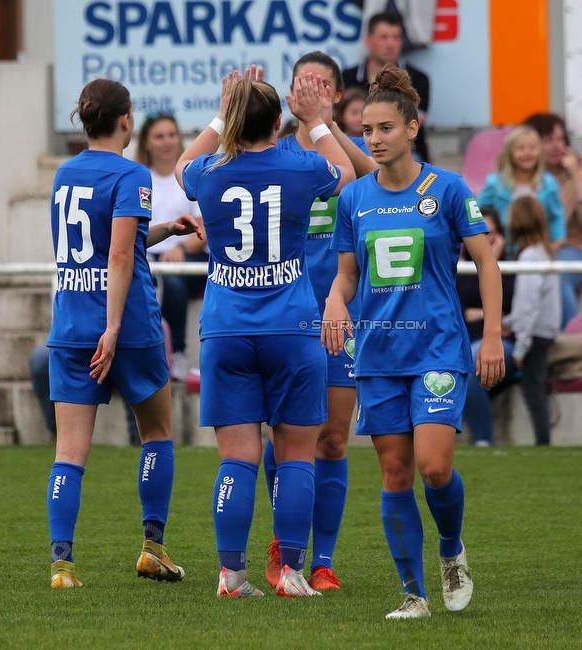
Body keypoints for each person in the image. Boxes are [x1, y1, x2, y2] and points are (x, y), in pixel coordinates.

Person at [324, 66, 505, 619]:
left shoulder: (447, 189)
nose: (373, 139)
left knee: (434, 467)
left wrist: (491, 334)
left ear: (411, 127)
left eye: (383, 128)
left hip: (437, 350)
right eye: (366, 130)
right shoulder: (354, 198)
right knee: (395, 474)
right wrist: (335, 299)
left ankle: (451, 549)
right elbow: (348, 273)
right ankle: (413, 594)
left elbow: (486, 261)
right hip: (377, 355)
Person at [176, 66, 354, 598]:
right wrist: (318, 120)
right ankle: (294, 574)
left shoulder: (209, 171)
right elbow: (344, 170)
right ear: (279, 121)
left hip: (226, 329)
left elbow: (183, 162)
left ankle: (232, 575)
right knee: (298, 454)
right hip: (292, 328)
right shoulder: (301, 165)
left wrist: (219, 112)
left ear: (233, 118)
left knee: (237, 459)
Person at [47, 78, 202, 588]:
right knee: (157, 434)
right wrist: (112, 328)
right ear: (126, 121)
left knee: (69, 451)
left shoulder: (65, 174)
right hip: (127, 327)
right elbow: (117, 255)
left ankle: (62, 565)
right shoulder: (131, 175)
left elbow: (112, 240)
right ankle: (153, 549)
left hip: (70, 323)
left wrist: (164, 230)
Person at [262, 51, 369, 593]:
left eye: (323, 86)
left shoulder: (353, 156)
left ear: (338, 97)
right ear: (288, 91)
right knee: (283, 434)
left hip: (341, 316)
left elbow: (373, 181)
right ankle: (285, 540)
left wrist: (323, 126)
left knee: (332, 438)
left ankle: (323, 560)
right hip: (283, 312)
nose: (311, 92)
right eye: (304, 83)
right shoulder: (273, 154)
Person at [134, 113, 208, 381]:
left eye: (171, 134)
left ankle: (177, 351)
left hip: (189, 257)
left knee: (173, 280)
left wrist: (182, 249)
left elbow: (204, 231)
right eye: (159, 136)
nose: (167, 142)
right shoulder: (139, 178)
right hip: (149, 255)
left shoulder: (188, 177)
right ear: (146, 143)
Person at [525, 113, 582, 328]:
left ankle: (571, 345)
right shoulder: (519, 176)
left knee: (556, 275)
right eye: (548, 140)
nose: (556, 146)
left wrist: (576, 174)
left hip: (572, 248)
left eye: (561, 139)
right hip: (528, 249)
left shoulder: (576, 175)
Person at [504, 196, 562, 446]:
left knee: (533, 391)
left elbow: (528, 304)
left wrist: (521, 346)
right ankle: (543, 441)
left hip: (535, 333)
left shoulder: (529, 256)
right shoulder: (543, 253)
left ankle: (543, 441)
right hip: (543, 330)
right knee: (535, 387)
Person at [458, 207, 516, 447]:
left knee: (471, 364)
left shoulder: (513, 268)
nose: (484, 237)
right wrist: (489, 313)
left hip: (504, 345)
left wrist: (491, 260)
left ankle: (483, 439)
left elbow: (512, 307)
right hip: (464, 342)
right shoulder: (458, 269)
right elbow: (454, 310)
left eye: (489, 232)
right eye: (477, 232)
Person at [341, 12, 431, 162]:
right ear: (367, 40)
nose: (391, 44)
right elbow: (341, 120)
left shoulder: (418, 79)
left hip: (407, 155)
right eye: (384, 37)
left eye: (396, 37)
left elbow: (413, 121)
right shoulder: (347, 78)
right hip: (353, 150)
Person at [29, 342, 139, 445]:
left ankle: (139, 436)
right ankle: (59, 433)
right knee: (41, 359)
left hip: (123, 341)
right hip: (76, 340)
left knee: (132, 357)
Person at [477, 126, 565, 241]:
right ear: (509, 153)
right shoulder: (495, 184)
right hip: (504, 252)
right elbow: (477, 212)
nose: (527, 153)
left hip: (538, 249)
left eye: (532, 148)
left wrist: (556, 243)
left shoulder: (549, 184)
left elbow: (556, 217)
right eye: (520, 148)